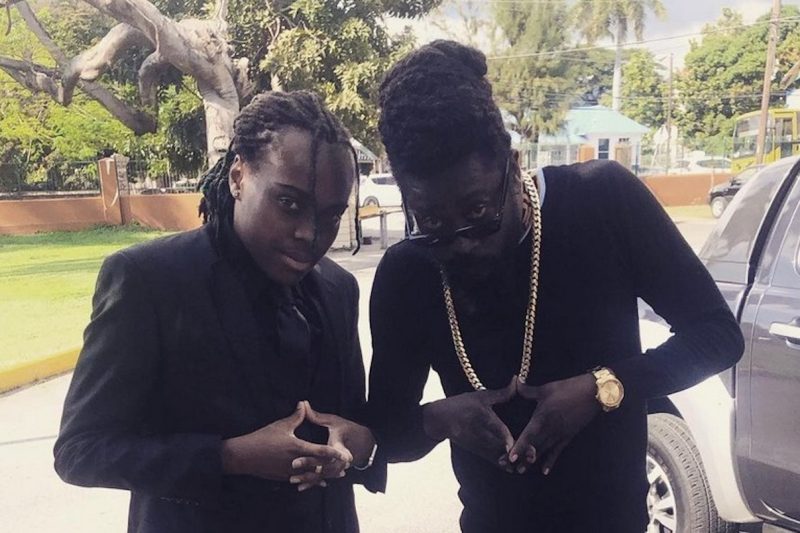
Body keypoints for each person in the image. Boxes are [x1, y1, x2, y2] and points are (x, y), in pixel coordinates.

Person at [366, 40, 744, 533]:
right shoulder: (407, 273)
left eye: (478, 211)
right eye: (431, 221)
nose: (462, 242)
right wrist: (442, 420)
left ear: (512, 164)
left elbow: (717, 336)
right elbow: (387, 432)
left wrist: (602, 389)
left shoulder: (601, 201)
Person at [54, 90, 384, 533]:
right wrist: (228, 457)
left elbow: (352, 425)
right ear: (238, 177)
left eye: (331, 215)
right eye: (288, 204)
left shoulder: (337, 288)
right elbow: (80, 450)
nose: (310, 233)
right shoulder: (151, 280)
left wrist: (361, 444)